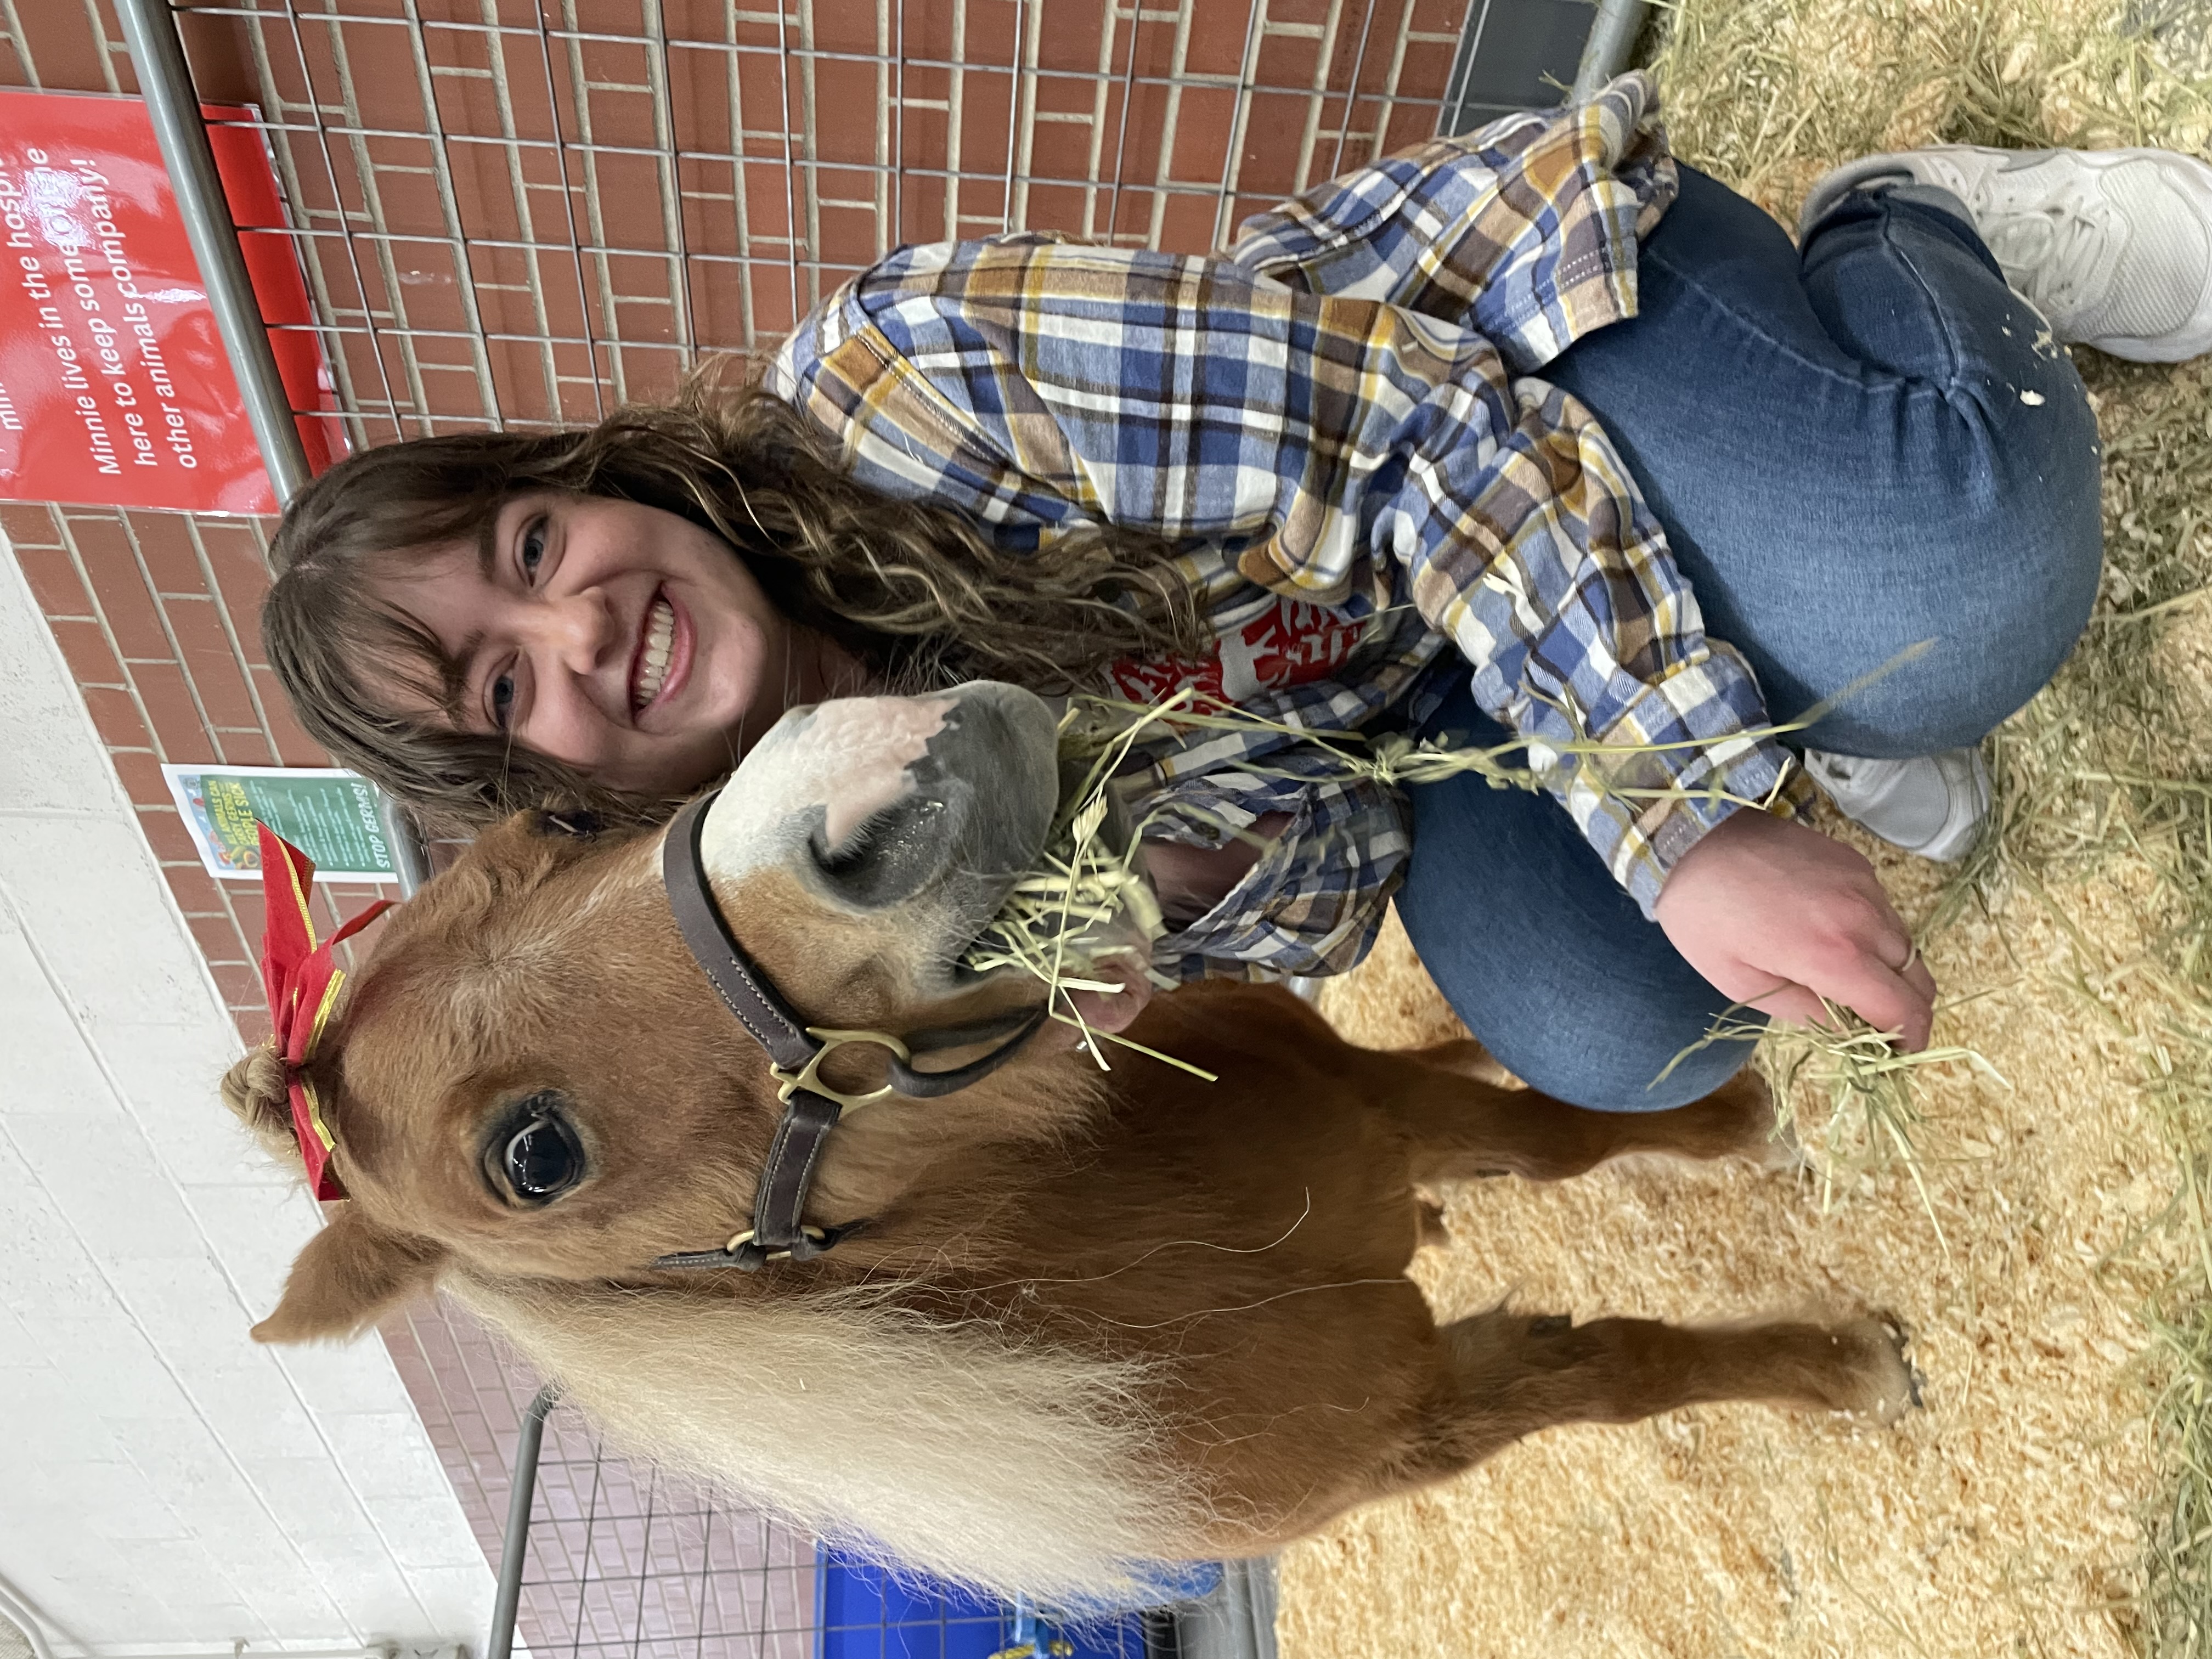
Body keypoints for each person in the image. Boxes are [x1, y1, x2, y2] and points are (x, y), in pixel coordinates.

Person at [258, 75, 2205, 1111]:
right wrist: (1172, 896)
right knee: (1637, 1040)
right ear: (564, 797)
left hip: (1523, 357)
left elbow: (1429, 437)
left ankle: (1918, 220)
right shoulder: (833, 873)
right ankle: (1759, 669)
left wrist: (1684, 816)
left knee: (1955, 608)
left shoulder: (906, 381)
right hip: (1421, 696)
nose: (580, 630)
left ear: (580, 478)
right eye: (508, 694)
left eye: (529, 553)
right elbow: (1353, 861)